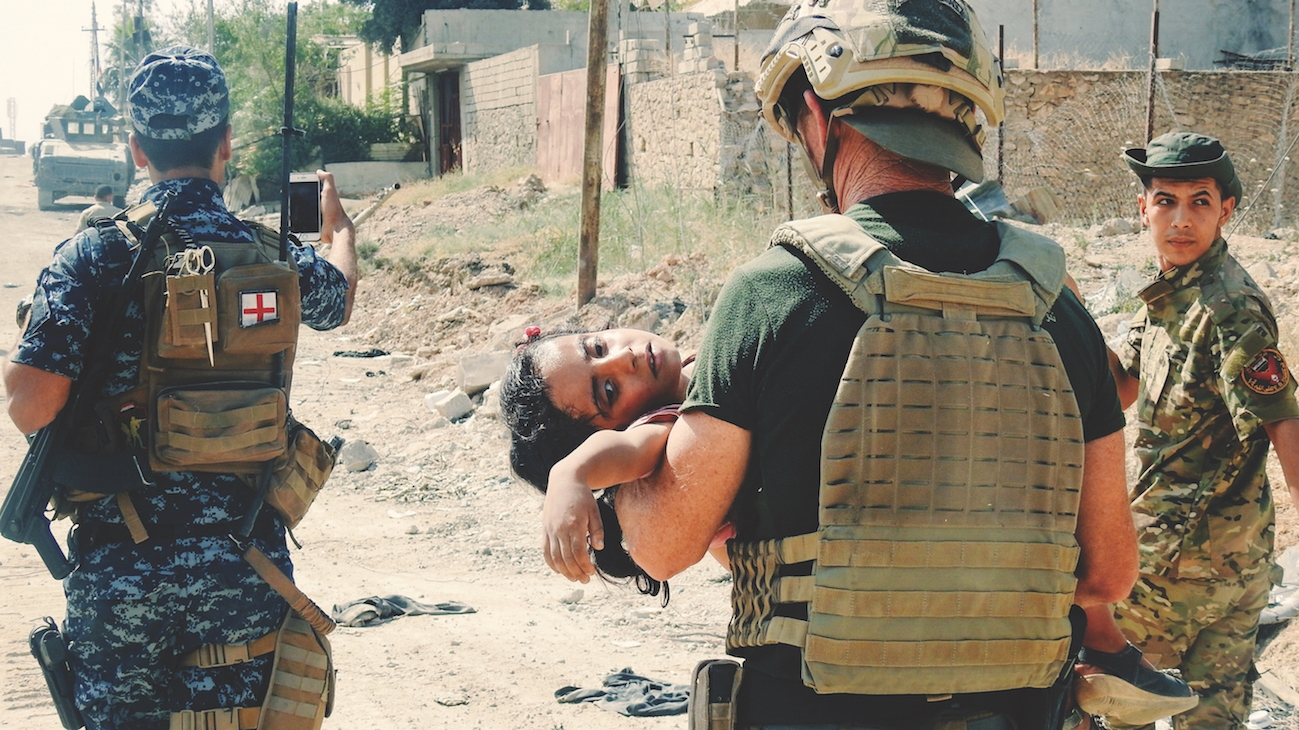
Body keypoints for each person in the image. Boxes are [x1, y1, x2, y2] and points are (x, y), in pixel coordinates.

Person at [606, 0, 1153, 727]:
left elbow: (666, 546)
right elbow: (1110, 570)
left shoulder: (773, 291)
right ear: (964, 119)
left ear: (817, 114)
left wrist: (606, 486)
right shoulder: (1056, 306)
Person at [3, 46, 358, 730]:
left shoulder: (95, 254)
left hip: (123, 569)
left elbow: (30, 402)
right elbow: (335, 300)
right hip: (245, 563)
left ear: (137, 150)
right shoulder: (271, 252)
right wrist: (340, 232)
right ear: (224, 145)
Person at [1103, 131, 1299, 730]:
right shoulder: (1170, 294)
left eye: (1200, 202)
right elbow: (1123, 387)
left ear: (1226, 211)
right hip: (1226, 566)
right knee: (1212, 720)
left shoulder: (1228, 305)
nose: (1181, 220)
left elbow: (1283, 421)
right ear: (1143, 209)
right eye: (1166, 201)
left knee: (1113, 707)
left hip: (1172, 572)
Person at [502, 327, 710, 599]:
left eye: (598, 347)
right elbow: (630, 449)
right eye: (610, 391)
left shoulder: (706, 358)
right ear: (621, 429)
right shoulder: (670, 426)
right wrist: (571, 471)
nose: (625, 357)